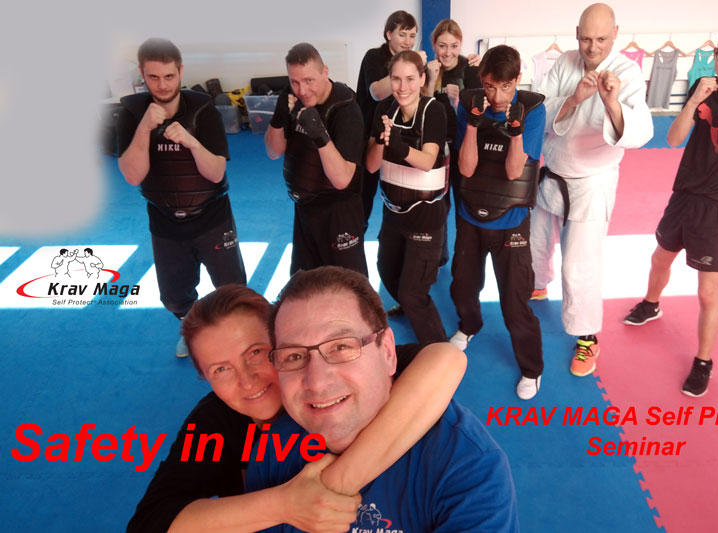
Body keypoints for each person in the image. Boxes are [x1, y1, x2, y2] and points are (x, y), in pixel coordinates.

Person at [128, 284, 466, 532]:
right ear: (205, 378)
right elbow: (150, 523)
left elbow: (445, 359)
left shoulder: (334, 371)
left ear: (284, 341)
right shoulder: (215, 425)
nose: (247, 380)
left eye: (255, 352)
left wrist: (339, 482)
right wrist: (286, 504)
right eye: (221, 369)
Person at [246, 266, 518, 532]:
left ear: (388, 352)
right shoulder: (275, 446)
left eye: (341, 347)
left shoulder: (468, 468)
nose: (316, 382)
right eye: (294, 356)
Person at [623, 19, 718, 397]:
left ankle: (703, 361)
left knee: (708, 293)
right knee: (660, 259)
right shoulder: (703, 87)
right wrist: (694, 100)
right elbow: (674, 139)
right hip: (684, 196)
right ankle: (651, 304)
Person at [528, 3, 653, 377]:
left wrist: (611, 102)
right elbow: (538, 110)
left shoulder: (627, 73)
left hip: (591, 182)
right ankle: (538, 284)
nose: (592, 47)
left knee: (579, 266)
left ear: (615, 34)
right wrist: (575, 99)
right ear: (576, 34)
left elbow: (641, 132)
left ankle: (587, 337)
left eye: (600, 39)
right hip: (553, 172)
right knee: (535, 242)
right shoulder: (564, 62)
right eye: (585, 38)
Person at [117, 38, 247, 357]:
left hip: (212, 215)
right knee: (173, 296)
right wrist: (144, 129)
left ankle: (239, 334)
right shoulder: (131, 113)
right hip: (164, 219)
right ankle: (192, 327)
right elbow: (132, 175)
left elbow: (216, 173)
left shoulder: (203, 110)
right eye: (153, 77)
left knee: (233, 287)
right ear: (142, 74)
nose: (162, 85)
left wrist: (191, 142)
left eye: (169, 76)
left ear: (180, 71)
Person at [448, 44, 546, 400]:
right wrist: (473, 124)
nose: (498, 96)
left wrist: (516, 131)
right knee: (463, 284)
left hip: (511, 220)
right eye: (490, 86)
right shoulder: (471, 102)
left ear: (517, 80)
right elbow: (466, 168)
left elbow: (514, 170)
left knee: (515, 302)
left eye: (505, 87)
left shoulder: (532, 109)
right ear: (482, 79)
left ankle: (532, 369)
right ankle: (469, 325)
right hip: (470, 214)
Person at [365, 51, 449, 344]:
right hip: (393, 213)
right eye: (396, 79)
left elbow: (427, 161)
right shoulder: (384, 110)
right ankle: (410, 306)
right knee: (387, 271)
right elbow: (371, 166)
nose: (403, 87)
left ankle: (439, 352)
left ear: (422, 79)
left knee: (413, 293)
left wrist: (400, 147)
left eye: (410, 79)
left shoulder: (433, 111)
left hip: (425, 217)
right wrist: (379, 140)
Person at [265, 43, 368, 276]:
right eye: (295, 81)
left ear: (325, 72)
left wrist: (320, 135)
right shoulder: (292, 98)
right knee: (304, 283)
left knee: (347, 285)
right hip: (304, 209)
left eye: (309, 80)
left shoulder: (346, 111)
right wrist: (278, 119)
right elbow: (273, 152)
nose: (302, 90)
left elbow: (342, 179)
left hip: (339, 212)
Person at [355, 10, 427, 230]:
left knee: (398, 190)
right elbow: (377, 92)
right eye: (402, 34)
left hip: (397, 136)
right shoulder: (374, 56)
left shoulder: (412, 62)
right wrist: (404, 69)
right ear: (388, 34)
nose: (408, 41)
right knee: (364, 192)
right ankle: (357, 232)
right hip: (369, 135)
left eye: (412, 36)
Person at [421, 18, 483, 267]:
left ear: (461, 45)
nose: (448, 52)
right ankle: (439, 254)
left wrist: (459, 103)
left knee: (465, 203)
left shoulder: (470, 69)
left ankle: (466, 257)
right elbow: (422, 109)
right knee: (438, 204)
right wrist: (429, 79)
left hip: (463, 146)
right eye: (442, 46)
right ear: (434, 45)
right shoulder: (427, 69)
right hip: (435, 148)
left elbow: (479, 111)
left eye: (454, 46)